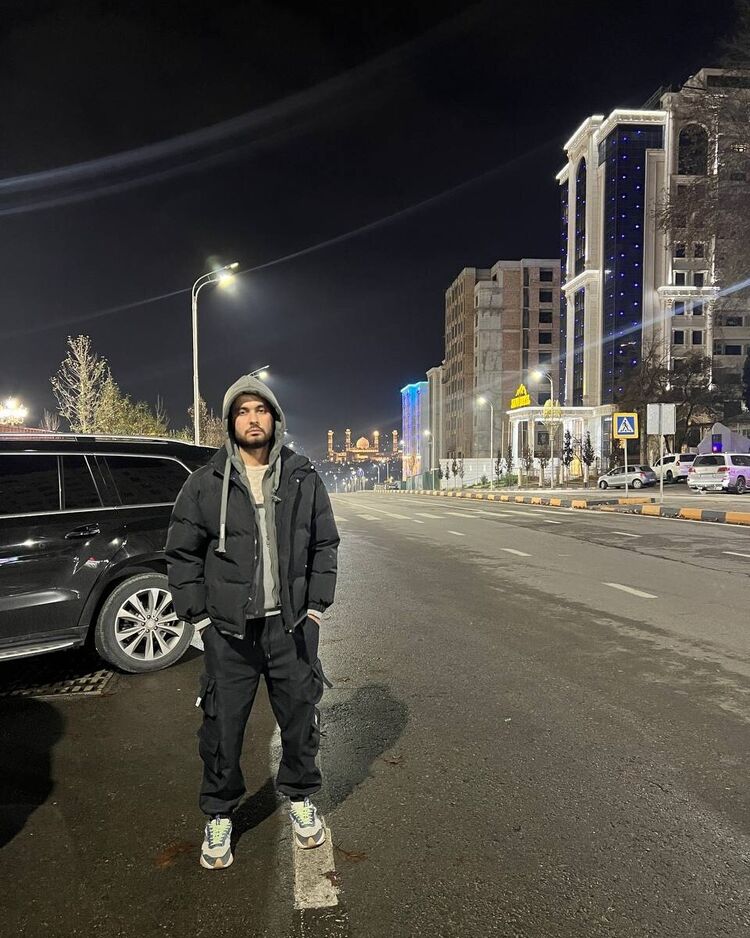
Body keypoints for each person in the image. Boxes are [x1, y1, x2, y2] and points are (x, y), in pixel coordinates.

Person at [166, 375, 339, 870]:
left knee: (300, 718)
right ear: (230, 422)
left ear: (275, 418)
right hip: (229, 632)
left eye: (260, 409)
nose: (252, 419)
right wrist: (200, 619)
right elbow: (181, 553)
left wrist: (315, 608)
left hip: (291, 627)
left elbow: (324, 543)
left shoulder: (302, 477)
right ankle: (219, 813)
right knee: (222, 728)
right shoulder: (205, 482)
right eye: (242, 411)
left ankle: (301, 797)